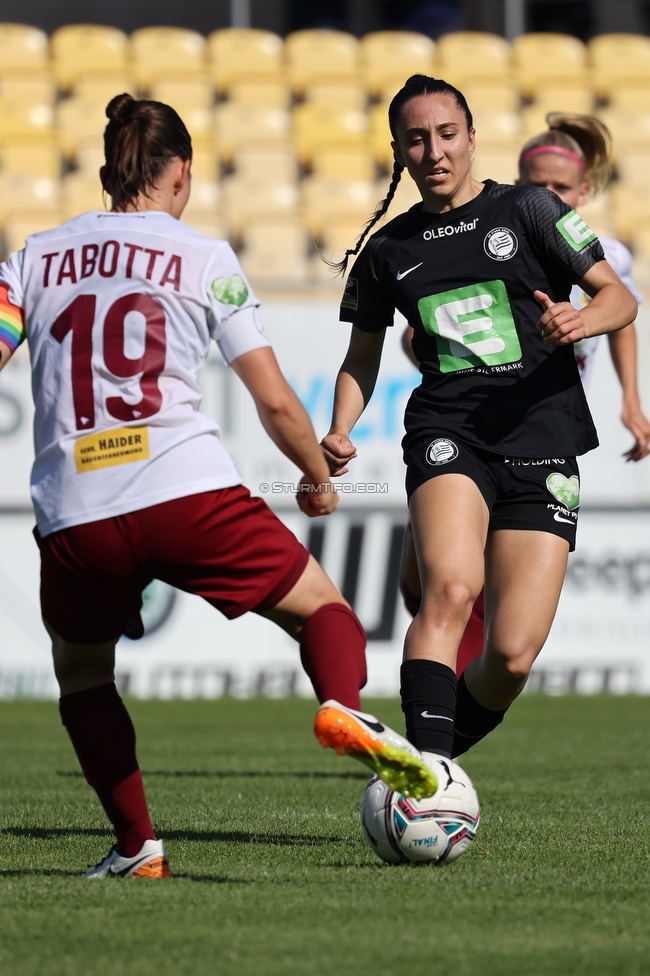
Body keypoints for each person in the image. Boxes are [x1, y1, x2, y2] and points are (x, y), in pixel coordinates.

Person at [0, 94, 437, 879]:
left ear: (107, 175)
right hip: (184, 491)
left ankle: (137, 848)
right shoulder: (203, 258)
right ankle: (341, 704)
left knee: (83, 681)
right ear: (183, 175)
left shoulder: (33, 256)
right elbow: (272, 398)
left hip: (75, 513)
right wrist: (314, 475)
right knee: (324, 612)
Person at [318, 74, 637, 770]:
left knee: (514, 656)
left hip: (544, 435)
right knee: (451, 591)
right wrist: (340, 427)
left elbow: (619, 298)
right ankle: (428, 780)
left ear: (470, 138)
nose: (433, 151)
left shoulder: (530, 208)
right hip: (447, 431)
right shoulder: (385, 251)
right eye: (415, 139)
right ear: (399, 151)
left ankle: (425, 764)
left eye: (446, 134)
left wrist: (582, 318)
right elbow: (361, 357)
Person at [396, 111, 650, 674]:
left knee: (485, 597)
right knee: (429, 586)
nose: (546, 194)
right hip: (468, 421)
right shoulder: (493, 234)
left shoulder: (603, 254)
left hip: (540, 426)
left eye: (559, 187)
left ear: (582, 192)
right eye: (536, 183)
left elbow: (622, 316)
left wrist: (630, 399)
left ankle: (438, 727)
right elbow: (415, 336)